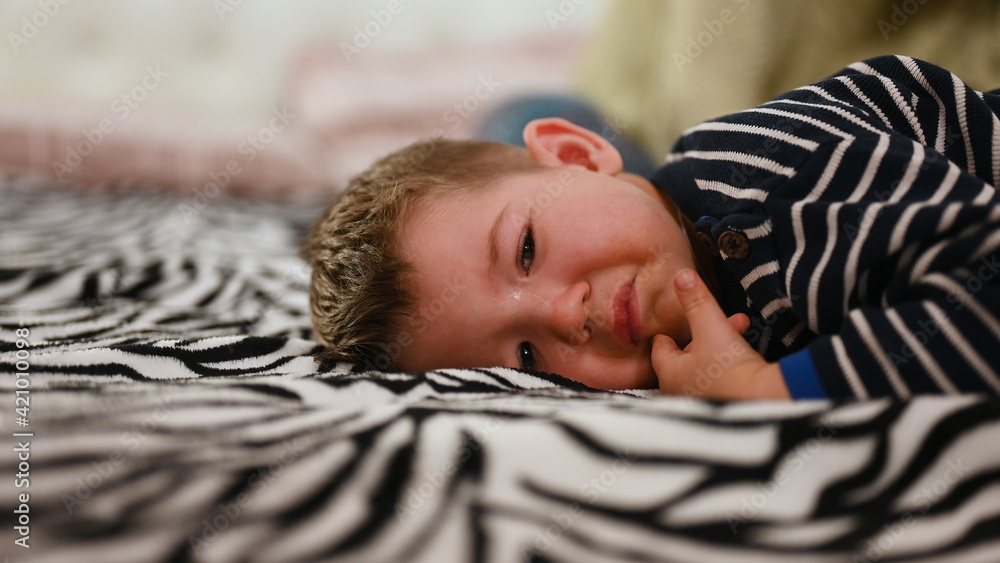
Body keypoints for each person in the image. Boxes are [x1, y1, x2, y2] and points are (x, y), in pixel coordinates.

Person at [301, 55, 1000, 400]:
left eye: (525, 249)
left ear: (578, 151)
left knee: (516, 120)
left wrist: (769, 391)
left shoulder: (779, 189)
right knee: (522, 135)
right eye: (525, 357)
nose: (563, 313)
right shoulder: (683, 323)